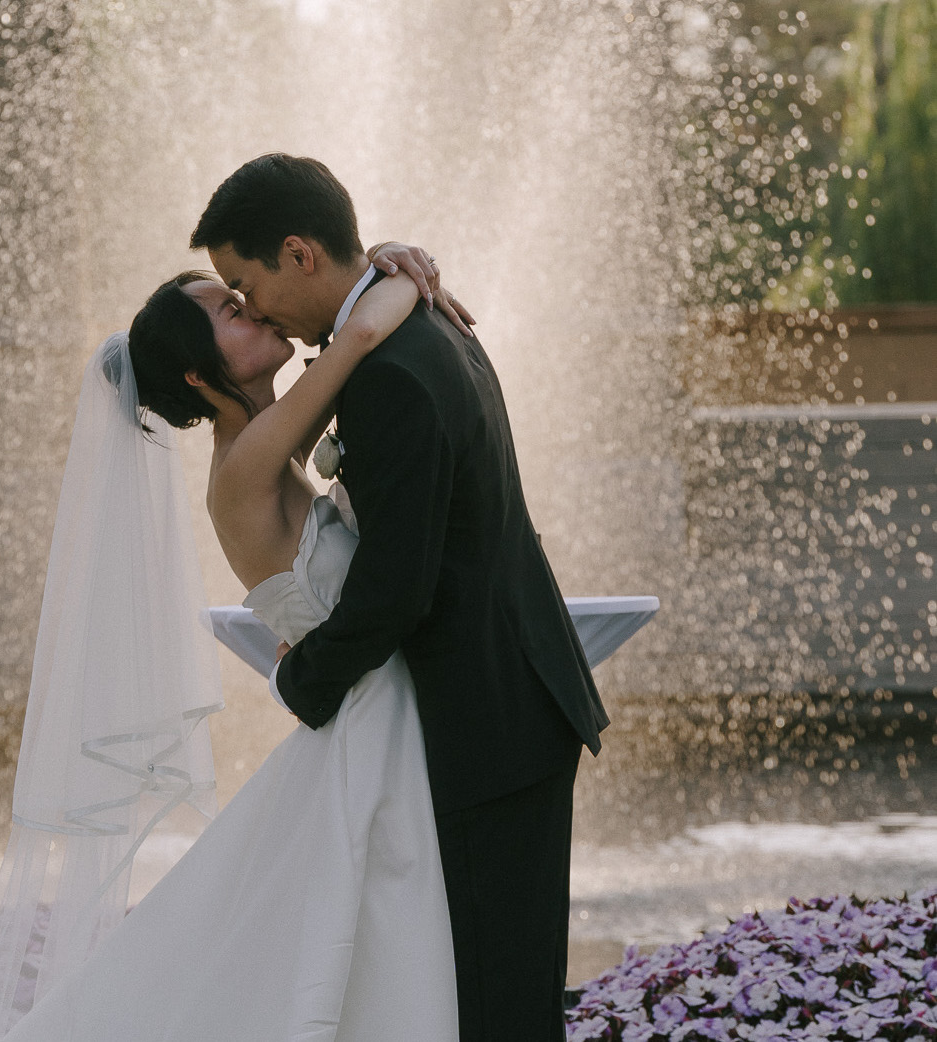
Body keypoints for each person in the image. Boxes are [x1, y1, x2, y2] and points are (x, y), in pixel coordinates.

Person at [0, 239, 474, 1042]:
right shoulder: (246, 462)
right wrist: (401, 268)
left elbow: (346, 348)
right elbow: (359, 336)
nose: (253, 306)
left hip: (372, 708)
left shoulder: (265, 438)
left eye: (242, 295)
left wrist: (382, 261)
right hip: (369, 717)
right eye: (231, 309)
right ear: (198, 375)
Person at [189, 153, 610, 1042]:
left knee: (493, 1000)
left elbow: (394, 594)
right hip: (506, 710)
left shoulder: (388, 369)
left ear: (299, 253)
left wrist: (298, 688)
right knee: (484, 988)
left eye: (245, 281)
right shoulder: (421, 324)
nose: (250, 304)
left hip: (485, 727)